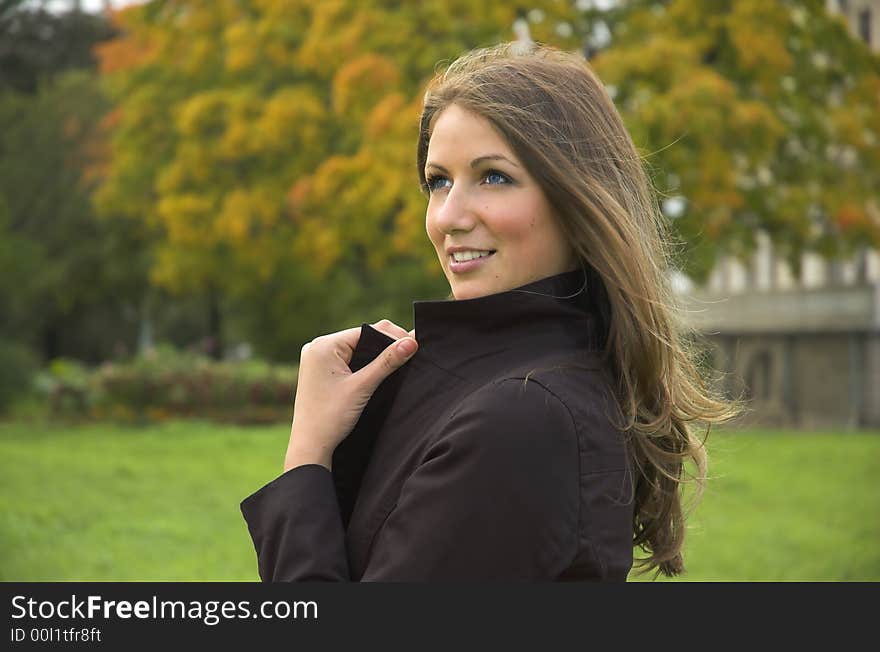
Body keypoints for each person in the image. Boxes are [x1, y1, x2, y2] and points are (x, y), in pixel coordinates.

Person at [240, 41, 736, 581]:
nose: (448, 216)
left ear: (578, 199)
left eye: (493, 177)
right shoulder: (483, 385)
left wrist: (308, 452)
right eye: (438, 181)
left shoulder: (524, 417)